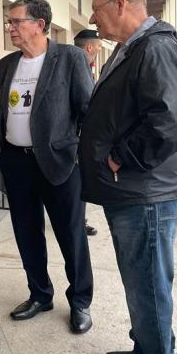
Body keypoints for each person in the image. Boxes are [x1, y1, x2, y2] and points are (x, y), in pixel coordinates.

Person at [80, 0, 177, 354]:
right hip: (134, 193)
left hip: (145, 196)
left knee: (148, 292)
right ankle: (151, 351)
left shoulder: (154, 48)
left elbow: (168, 124)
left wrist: (119, 158)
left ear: (120, 4)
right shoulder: (132, 48)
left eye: (96, 9)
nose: (93, 19)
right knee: (145, 288)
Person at [0, 0, 94, 334]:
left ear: (39, 24)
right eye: (9, 21)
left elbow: (88, 110)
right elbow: (0, 110)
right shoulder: (7, 64)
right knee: (26, 231)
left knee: (71, 234)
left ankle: (80, 301)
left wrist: (78, 153)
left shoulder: (70, 58)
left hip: (60, 162)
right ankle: (39, 294)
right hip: (17, 162)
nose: (10, 27)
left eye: (16, 21)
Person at [73, 28, 103, 237]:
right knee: (76, 182)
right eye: (99, 47)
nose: (100, 50)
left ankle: (78, 220)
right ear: (90, 47)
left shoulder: (83, 64)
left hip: (78, 135)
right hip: (75, 136)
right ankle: (76, 222)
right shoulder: (78, 64)